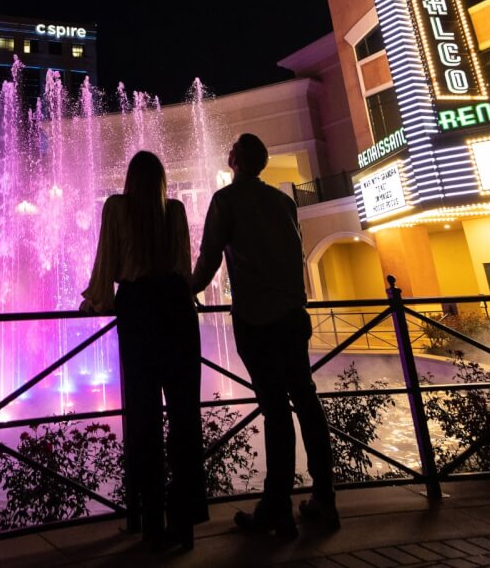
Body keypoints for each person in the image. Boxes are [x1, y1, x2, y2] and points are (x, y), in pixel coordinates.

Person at [191, 133, 338, 537]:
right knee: (306, 400)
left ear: (234, 159)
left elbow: (209, 258)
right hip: (294, 315)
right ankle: (325, 499)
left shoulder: (226, 201)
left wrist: (187, 289)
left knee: (275, 408)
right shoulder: (283, 201)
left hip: (256, 319)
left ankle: (276, 506)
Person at [81, 150, 207, 552]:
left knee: (144, 418)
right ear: (162, 180)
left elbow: (106, 262)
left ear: (130, 180)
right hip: (177, 310)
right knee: (185, 418)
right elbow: (184, 267)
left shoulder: (117, 206)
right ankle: (184, 524)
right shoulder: (176, 210)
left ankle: (151, 524)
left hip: (138, 311)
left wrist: (98, 299)